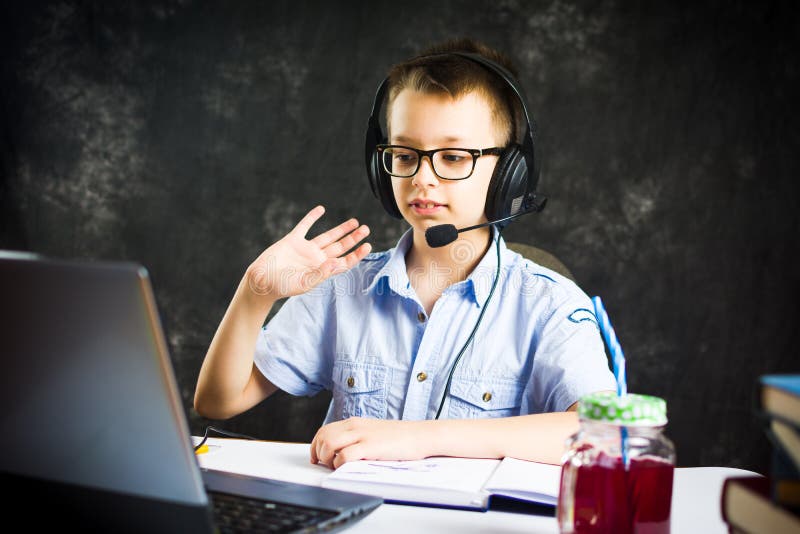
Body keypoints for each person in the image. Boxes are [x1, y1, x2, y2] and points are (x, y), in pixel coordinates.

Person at [194, 38, 615, 469]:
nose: (422, 178)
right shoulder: (342, 288)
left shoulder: (551, 305)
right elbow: (218, 401)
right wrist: (255, 292)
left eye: (453, 157)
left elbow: (603, 435)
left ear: (510, 173)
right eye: (403, 154)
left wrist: (419, 438)